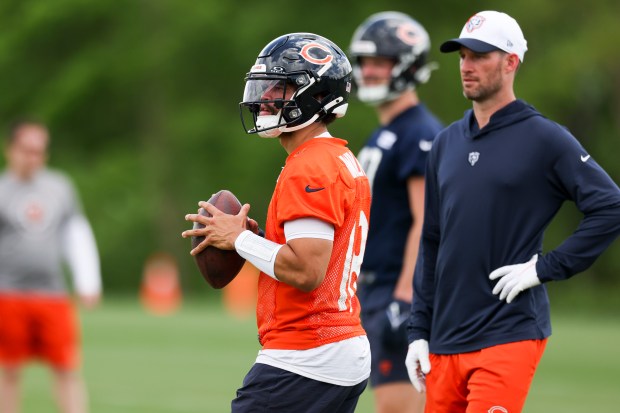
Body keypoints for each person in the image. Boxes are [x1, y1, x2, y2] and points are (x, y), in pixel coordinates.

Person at [404, 10, 620, 413]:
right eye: (462, 56)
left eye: (479, 56)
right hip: (444, 339)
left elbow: (611, 207)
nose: (467, 66)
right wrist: (418, 329)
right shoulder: (445, 143)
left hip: (508, 334)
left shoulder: (545, 138)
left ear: (510, 61)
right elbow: (432, 240)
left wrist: (544, 268)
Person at [182, 33, 372, 413]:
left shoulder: (310, 164)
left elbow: (306, 269)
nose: (265, 98)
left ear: (316, 96)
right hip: (333, 347)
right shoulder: (334, 158)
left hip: (308, 352)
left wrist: (238, 240)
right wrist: (260, 239)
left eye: (280, 88)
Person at [347, 11, 443, 413]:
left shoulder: (418, 132)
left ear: (408, 65)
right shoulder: (386, 132)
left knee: (398, 407)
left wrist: (406, 296)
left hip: (395, 290)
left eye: (380, 63)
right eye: (365, 62)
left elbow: (427, 220)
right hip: (371, 287)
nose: (368, 72)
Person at [0, 121, 102, 413]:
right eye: (27, 150)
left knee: (66, 367)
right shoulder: (2, 189)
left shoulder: (59, 186)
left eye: (39, 151)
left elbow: (76, 233)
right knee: (9, 370)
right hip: (8, 293)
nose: (33, 157)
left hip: (52, 293)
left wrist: (88, 282)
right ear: (11, 150)